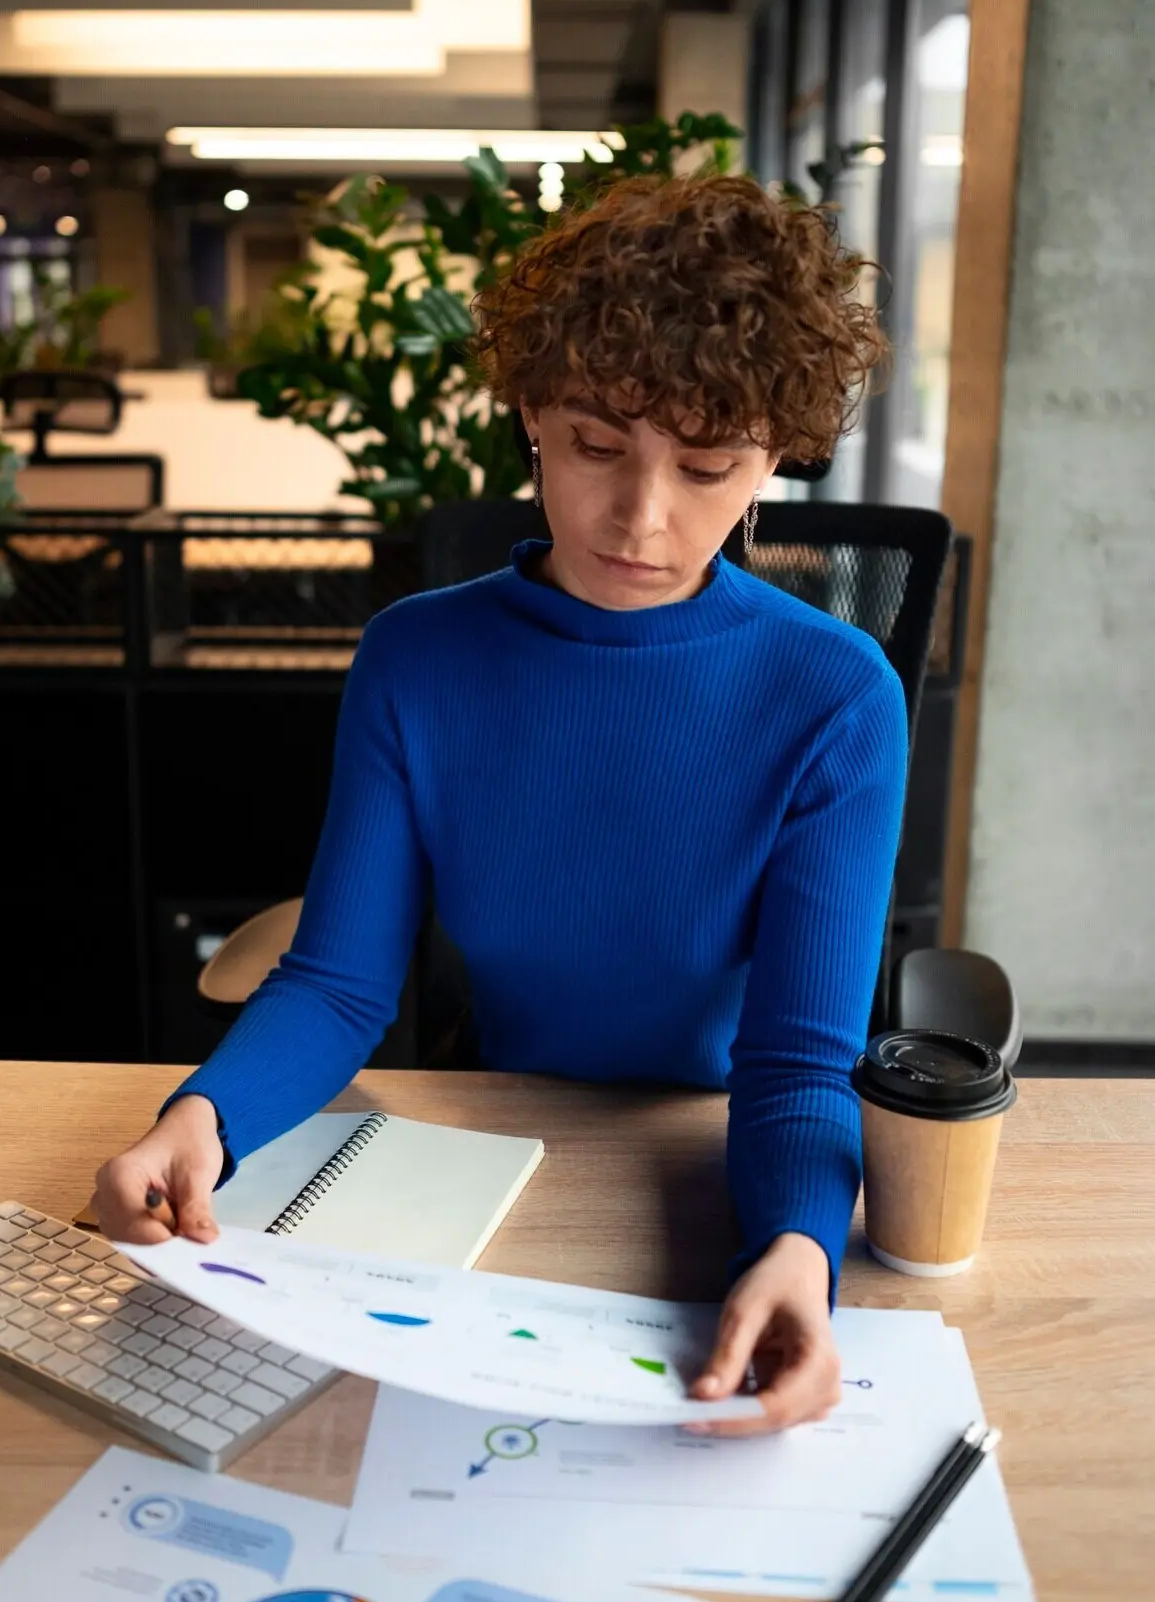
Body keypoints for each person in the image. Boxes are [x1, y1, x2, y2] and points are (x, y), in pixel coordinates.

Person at [94, 173, 908, 1439]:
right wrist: (199, 1120)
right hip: (486, 1144)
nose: (644, 518)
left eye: (708, 466)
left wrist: (801, 1249)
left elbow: (798, 1061)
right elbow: (338, 986)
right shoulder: (418, 658)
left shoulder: (834, 695)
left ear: (772, 459)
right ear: (532, 411)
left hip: (711, 1150)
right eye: (596, 445)